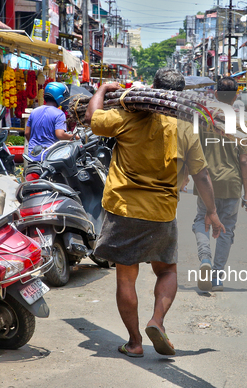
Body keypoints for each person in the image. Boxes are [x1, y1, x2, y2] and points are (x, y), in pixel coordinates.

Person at [84, 68, 224, 358]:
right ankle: (156, 321)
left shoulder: (129, 115)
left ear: (151, 89)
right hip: (161, 211)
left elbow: (91, 119)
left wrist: (101, 90)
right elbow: (201, 175)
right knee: (167, 270)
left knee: (126, 277)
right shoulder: (185, 127)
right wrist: (211, 211)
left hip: (123, 208)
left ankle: (135, 342)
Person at [193, 76, 247, 292]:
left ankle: (205, 258)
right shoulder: (241, 122)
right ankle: (217, 277)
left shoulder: (202, 119)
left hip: (205, 181)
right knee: (226, 229)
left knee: (202, 220)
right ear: (236, 96)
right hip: (232, 183)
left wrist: (183, 178)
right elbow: (244, 160)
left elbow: (192, 150)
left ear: (215, 94)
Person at [25, 82, 76, 161]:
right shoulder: (59, 114)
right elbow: (60, 134)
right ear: (60, 97)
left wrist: (34, 145)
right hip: (49, 156)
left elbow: (27, 133)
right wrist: (74, 136)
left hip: (33, 154)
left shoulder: (34, 111)